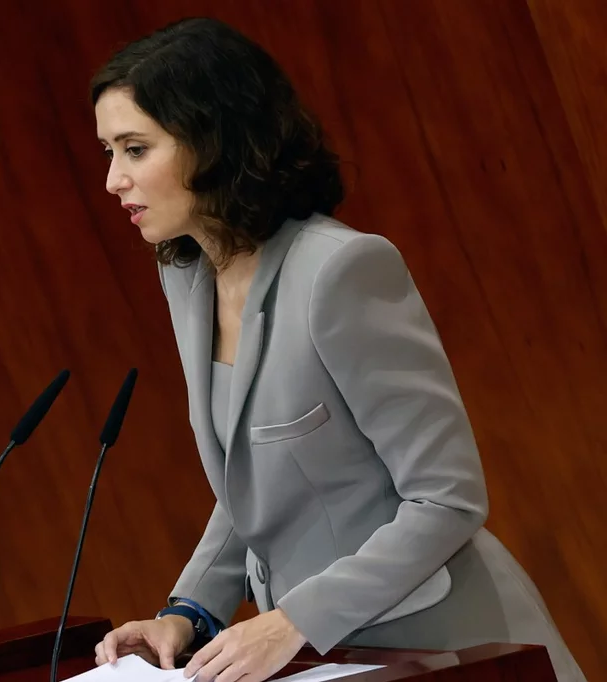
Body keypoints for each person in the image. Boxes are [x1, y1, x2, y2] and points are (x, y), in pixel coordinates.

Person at [89, 16, 586, 682]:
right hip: (326, 660)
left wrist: (294, 620)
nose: (113, 181)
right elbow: (256, 477)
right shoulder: (186, 277)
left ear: (215, 143)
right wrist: (189, 612)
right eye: (108, 152)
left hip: (449, 647)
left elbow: (448, 499)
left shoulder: (340, 272)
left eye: (135, 149)